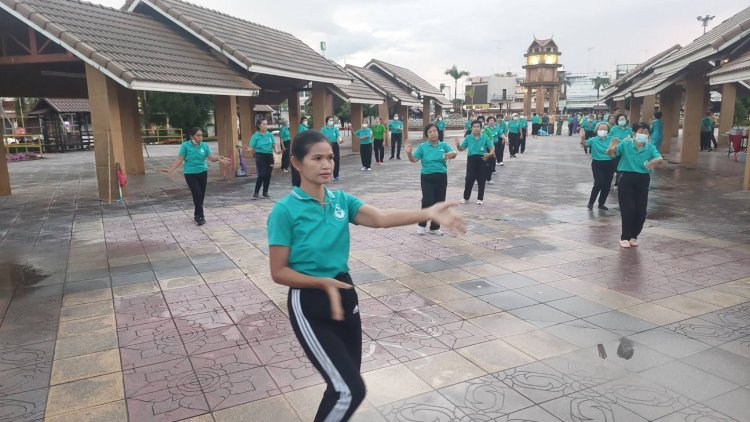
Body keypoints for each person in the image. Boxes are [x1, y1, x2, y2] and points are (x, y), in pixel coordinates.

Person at [267, 130, 466, 421]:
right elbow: (278, 271)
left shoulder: (341, 201)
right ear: (296, 163)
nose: (326, 164)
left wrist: (430, 212)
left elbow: (382, 218)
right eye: (317, 158)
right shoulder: (284, 211)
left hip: (345, 294)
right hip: (310, 301)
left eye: (330, 158)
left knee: (342, 385)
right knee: (350, 390)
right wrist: (321, 282)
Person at [606, 122, 663, 248]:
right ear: (634, 133)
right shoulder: (626, 144)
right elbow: (611, 154)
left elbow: (659, 158)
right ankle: (624, 237)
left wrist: (656, 161)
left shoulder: (650, 147)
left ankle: (634, 236)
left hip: (643, 179)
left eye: (646, 132)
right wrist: (612, 146)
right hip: (626, 177)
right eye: (641, 132)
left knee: (641, 210)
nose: (643, 134)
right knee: (628, 209)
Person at [161, 127, 230, 225]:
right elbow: (180, 159)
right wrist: (171, 169)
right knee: (197, 193)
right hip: (190, 173)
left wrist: (218, 158)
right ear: (191, 136)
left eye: (201, 135)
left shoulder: (204, 145)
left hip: (202, 172)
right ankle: (200, 216)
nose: (201, 137)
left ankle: (196, 214)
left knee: (200, 195)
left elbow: (211, 158)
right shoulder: (185, 146)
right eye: (198, 135)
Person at [405, 123, 459, 235]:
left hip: (441, 177)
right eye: (430, 132)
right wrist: (409, 153)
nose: (433, 133)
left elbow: (454, 153)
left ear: (438, 132)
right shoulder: (422, 147)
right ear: (426, 135)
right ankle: (422, 225)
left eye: (434, 131)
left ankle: (435, 227)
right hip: (427, 177)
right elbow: (414, 160)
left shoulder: (443, 145)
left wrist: (450, 154)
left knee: (439, 202)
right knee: (427, 201)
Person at [455, 120, 495, 205]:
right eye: (474, 126)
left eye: (478, 127)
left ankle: (480, 198)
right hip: (471, 160)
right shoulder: (468, 137)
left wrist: (490, 154)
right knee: (469, 179)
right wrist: (458, 145)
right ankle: (466, 197)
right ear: (471, 128)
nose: (476, 128)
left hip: (482, 159)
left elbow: (491, 147)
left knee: (481, 179)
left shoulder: (485, 137)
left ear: (481, 128)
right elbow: (462, 149)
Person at [581, 122, 617, 210]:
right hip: (597, 164)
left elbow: (621, 144)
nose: (603, 131)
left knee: (607, 185)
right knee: (598, 183)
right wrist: (582, 137)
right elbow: (585, 144)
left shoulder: (612, 139)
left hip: (610, 163)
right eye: (601, 129)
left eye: (605, 129)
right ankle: (591, 203)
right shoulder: (593, 140)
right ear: (597, 130)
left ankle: (601, 203)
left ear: (608, 130)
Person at [246, 118, 279, 199]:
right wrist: (247, 149)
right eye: (263, 124)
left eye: (266, 124)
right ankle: (256, 193)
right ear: (258, 125)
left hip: (269, 156)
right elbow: (250, 148)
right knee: (262, 174)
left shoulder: (270, 134)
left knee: (268, 175)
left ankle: (265, 192)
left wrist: (277, 151)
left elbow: (274, 144)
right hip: (260, 156)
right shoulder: (255, 136)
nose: (265, 126)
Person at [321, 116, 343, 180]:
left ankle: (336, 175)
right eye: (330, 120)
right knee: (327, 160)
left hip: (335, 144)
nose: (331, 121)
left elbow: (338, 136)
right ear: (326, 121)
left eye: (332, 120)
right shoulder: (323, 129)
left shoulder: (335, 129)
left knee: (336, 159)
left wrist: (340, 140)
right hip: (326, 145)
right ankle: (326, 174)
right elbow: (321, 138)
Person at [483, 116, 500, 184]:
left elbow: (491, 141)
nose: (491, 122)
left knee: (489, 163)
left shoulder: (487, 131)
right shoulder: (473, 134)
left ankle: (488, 178)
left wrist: (493, 152)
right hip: (479, 151)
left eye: (492, 120)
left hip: (489, 148)